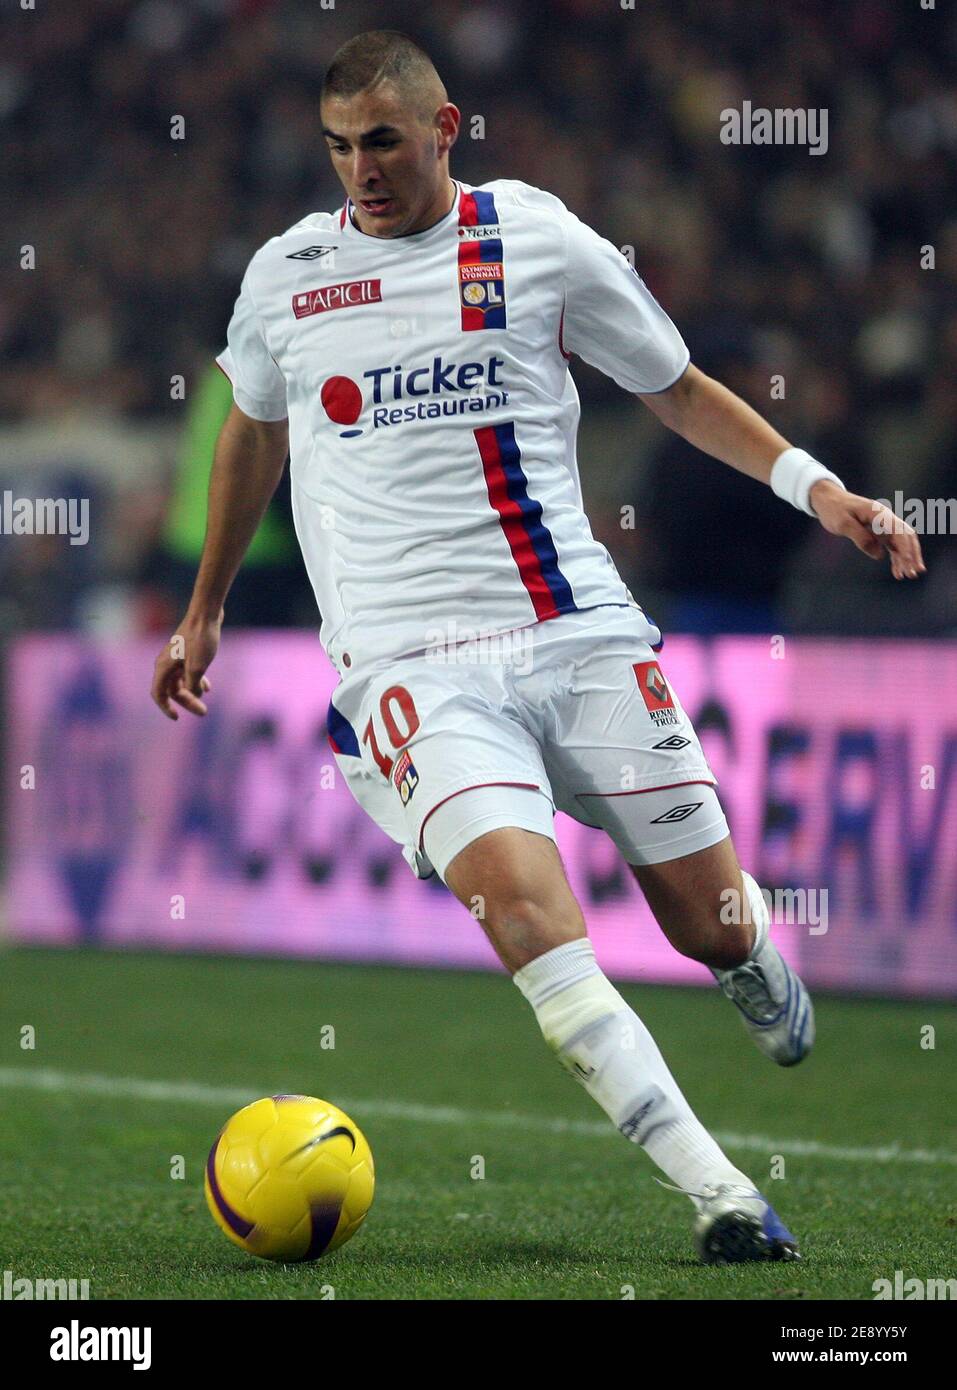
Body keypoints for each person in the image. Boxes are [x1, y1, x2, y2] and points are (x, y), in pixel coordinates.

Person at [151, 30, 925, 1264]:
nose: (362, 170)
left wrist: (818, 490)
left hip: (575, 632)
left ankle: (750, 956)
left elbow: (673, 385)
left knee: (710, 922)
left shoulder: (538, 238)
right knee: (524, 911)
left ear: (446, 128)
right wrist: (207, 605)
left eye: (385, 142)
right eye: (341, 147)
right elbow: (252, 427)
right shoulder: (286, 275)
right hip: (409, 667)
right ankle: (724, 1195)